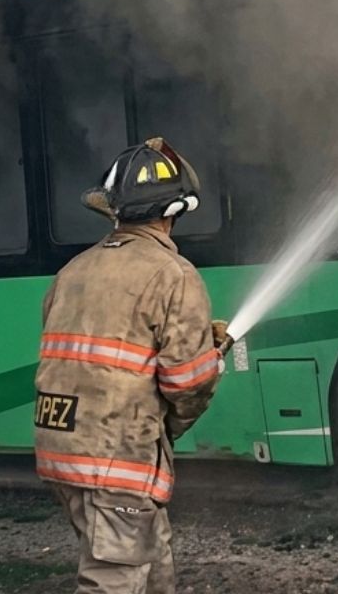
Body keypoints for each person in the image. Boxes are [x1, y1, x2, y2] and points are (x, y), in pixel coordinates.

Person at [34, 137, 227, 594]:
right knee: (114, 579)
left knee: (152, 562)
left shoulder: (73, 271)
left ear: (115, 210)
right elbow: (187, 383)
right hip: (115, 458)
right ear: (175, 210)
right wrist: (206, 368)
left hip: (61, 449)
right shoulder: (174, 274)